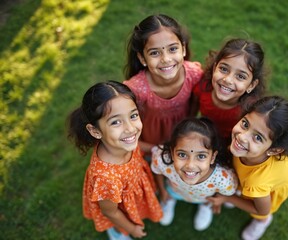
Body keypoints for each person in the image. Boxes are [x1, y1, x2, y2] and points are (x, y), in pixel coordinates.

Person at [67, 81, 162, 240]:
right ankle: (117, 232)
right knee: (117, 221)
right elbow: (110, 211)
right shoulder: (106, 178)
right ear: (95, 131)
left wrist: (155, 148)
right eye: (116, 122)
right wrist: (132, 229)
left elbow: (137, 145)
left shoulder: (123, 142)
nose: (130, 128)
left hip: (133, 185)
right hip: (117, 205)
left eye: (133, 115)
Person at [207, 96, 288, 240]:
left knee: (261, 213)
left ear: (273, 150)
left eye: (258, 138)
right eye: (245, 124)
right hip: (253, 176)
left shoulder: (257, 183)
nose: (242, 137)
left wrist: (229, 198)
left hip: (270, 188)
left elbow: (261, 209)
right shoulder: (244, 147)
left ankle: (263, 223)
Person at [123, 14, 203, 157]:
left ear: (183, 49)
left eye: (172, 49)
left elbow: (196, 106)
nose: (166, 59)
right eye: (155, 53)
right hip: (149, 147)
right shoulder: (136, 90)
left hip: (182, 141)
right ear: (142, 58)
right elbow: (125, 132)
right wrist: (155, 151)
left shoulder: (194, 75)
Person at [151, 117, 238, 231]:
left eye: (201, 156)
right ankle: (170, 199)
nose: (190, 165)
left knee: (206, 203)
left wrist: (217, 201)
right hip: (175, 190)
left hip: (205, 198)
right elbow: (158, 171)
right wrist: (163, 191)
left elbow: (227, 193)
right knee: (171, 195)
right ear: (172, 152)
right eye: (182, 155)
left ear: (212, 157)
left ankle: (206, 206)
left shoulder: (223, 179)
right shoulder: (163, 160)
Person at [193, 38, 267, 147]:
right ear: (214, 68)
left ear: (251, 85)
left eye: (240, 76)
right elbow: (191, 111)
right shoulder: (203, 87)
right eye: (223, 69)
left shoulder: (250, 111)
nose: (228, 80)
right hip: (203, 136)